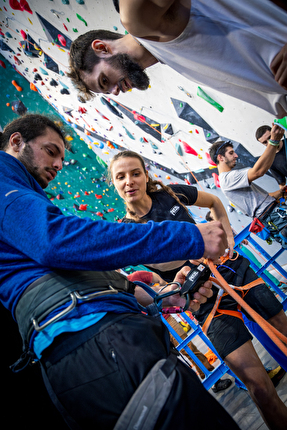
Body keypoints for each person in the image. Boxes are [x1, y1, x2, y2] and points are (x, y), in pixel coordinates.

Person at [0, 114, 242, 430]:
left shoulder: (22, 200)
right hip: (98, 344)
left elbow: (62, 269)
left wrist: (161, 297)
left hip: (94, 343)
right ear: (17, 141)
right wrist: (189, 237)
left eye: (62, 158)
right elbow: (56, 242)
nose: (58, 165)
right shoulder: (5, 185)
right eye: (50, 151)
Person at [109, 148, 287, 430]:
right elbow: (160, 284)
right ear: (115, 184)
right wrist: (176, 288)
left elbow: (214, 202)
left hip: (233, 272)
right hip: (203, 302)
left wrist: (227, 236)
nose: (129, 180)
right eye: (121, 177)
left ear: (145, 176)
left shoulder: (171, 194)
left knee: (285, 338)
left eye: (135, 173)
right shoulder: (126, 232)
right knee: (260, 388)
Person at [68, 0, 287, 117]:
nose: (115, 91)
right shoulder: (167, 57)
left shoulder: (137, 20)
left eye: (105, 81)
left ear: (102, 48)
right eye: (108, 92)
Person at [126, 269, 232, 393]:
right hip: (147, 328)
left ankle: (211, 378)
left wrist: (166, 289)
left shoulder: (134, 278)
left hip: (164, 319)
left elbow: (156, 278)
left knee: (188, 348)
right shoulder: (115, 291)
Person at [209, 125, 287, 247]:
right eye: (231, 153)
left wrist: (281, 191)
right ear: (220, 157)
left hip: (274, 213)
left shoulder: (230, 179)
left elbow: (261, 200)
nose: (236, 156)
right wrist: (274, 141)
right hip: (274, 216)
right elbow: (258, 171)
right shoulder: (227, 178)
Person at [256, 125, 287, 189]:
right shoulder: (270, 160)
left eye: (270, 137)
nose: (270, 142)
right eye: (265, 142)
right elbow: (281, 184)